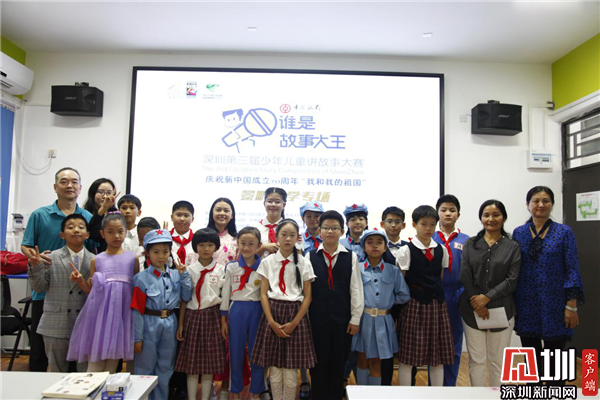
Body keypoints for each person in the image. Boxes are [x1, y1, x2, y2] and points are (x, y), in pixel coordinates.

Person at [21, 167, 93, 372]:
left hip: (79, 294)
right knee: (40, 352)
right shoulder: (39, 215)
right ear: (55, 187)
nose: (69, 185)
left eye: (74, 182)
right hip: (47, 292)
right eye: (64, 181)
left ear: (80, 187)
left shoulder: (88, 216)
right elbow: (26, 245)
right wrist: (36, 261)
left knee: (79, 362)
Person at [512, 186, 584, 385]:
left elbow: (572, 268)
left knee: (556, 361)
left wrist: (571, 306)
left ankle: (555, 392)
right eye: (536, 201)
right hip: (526, 303)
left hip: (556, 303)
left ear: (552, 204)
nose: (541, 205)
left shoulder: (564, 232)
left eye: (546, 201)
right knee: (531, 361)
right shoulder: (519, 233)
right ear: (528, 205)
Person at [251, 219, 317, 400]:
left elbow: (308, 296)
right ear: (276, 237)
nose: (288, 239)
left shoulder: (303, 262)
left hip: (295, 314)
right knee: (274, 369)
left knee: (290, 370)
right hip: (272, 313)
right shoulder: (268, 261)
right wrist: (271, 322)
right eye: (284, 235)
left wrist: (294, 323)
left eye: (292, 235)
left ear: (297, 238)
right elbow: (263, 294)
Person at [67, 212, 139, 372]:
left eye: (120, 231)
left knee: (112, 365)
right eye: (110, 232)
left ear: (126, 231)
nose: (116, 236)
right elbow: (91, 291)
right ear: (102, 233)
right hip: (99, 317)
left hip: (122, 315)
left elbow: (135, 288)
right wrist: (81, 281)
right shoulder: (97, 259)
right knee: (95, 363)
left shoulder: (132, 259)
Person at [459, 199, 521, 387]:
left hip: (502, 309)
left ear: (503, 217)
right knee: (476, 360)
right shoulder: (471, 243)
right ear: (481, 218)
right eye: (486, 215)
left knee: (498, 361)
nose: (491, 219)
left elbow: (511, 280)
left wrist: (487, 298)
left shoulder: (512, 246)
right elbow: (465, 274)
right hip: (472, 310)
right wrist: (476, 302)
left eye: (496, 215)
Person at [305, 210, 363, 400]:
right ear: (319, 231)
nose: (330, 231)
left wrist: (355, 318)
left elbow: (356, 288)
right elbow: (306, 292)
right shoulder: (310, 256)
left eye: (334, 228)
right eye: (326, 228)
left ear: (342, 231)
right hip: (317, 320)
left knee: (339, 363)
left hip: (342, 320)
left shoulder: (351, 256)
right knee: (317, 364)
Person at [396, 205, 453, 387]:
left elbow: (440, 277)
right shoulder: (406, 250)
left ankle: (437, 395)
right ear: (414, 225)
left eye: (432, 224)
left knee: (437, 356)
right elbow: (401, 282)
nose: (428, 228)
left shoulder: (442, 249)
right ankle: (405, 395)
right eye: (424, 224)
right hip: (414, 305)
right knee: (407, 357)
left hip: (437, 305)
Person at [132, 228, 191, 400]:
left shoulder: (176, 275)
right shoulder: (140, 278)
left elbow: (186, 296)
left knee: (165, 367)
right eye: (156, 252)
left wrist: (184, 275)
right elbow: (137, 309)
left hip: (170, 323)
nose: (161, 256)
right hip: (149, 323)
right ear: (147, 253)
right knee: (145, 366)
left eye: (165, 251)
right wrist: (137, 338)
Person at [174, 228, 226, 400]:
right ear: (195, 247)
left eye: (210, 245)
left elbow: (224, 299)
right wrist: (181, 324)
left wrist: (223, 323)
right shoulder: (189, 270)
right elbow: (184, 299)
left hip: (212, 318)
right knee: (192, 364)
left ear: (216, 247)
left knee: (208, 364)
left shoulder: (221, 270)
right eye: (201, 245)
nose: (206, 249)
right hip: (192, 317)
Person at [353, 229, 410, 386]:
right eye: (370, 243)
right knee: (362, 360)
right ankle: (361, 395)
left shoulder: (393, 270)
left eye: (379, 243)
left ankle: (374, 395)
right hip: (363, 320)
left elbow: (404, 295)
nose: (375, 246)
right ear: (363, 247)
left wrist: (388, 303)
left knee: (376, 362)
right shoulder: (357, 268)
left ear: (385, 247)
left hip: (383, 321)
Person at [221, 227, 266, 400]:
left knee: (257, 352)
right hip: (236, 310)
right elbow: (226, 293)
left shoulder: (264, 266)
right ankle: (235, 390)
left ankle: (257, 391)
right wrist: (223, 319)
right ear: (237, 244)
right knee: (235, 351)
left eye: (251, 244)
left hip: (257, 309)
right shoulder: (231, 267)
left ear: (259, 245)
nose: (246, 248)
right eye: (243, 243)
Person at [433, 195, 470, 386]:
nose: (448, 213)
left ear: (458, 214)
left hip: (457, 294)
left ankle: (450, 386)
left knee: (454, 342)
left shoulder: (467, 240)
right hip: (434, 294)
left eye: (452, 210)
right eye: (444, 210)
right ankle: (433, 388)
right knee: (434, 344)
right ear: (437, 213)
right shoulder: (429, 237)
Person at [379, 206, 409, 385]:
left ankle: (409, 385)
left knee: (407, 346)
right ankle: (384, 384)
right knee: (384, 347)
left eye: (397, 222)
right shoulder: (375, 247)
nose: (393, 225)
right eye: (389, 221)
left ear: (404, 225)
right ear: (382, 224)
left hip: (406, 304)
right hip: (383, 305)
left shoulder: (410, 247)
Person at [85, 178, 119, 254]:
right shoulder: (85, 214)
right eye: (101, 192)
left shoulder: (117, 215)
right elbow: (93, 234)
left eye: (109, 193)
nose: (105, 196)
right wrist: (103, 209)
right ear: (93, 194)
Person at [255, 187, 287, 259]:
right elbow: (248, 256)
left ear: (284, 205)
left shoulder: (290, 228)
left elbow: (298, 256)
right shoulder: (255, 228)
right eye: (269, 201)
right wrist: (263, 247)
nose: (273, 205)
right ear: (264, 203)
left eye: (277, 202)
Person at [169, 200, 196, 265]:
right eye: (178, 215)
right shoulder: (165, 238)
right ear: (172, 217)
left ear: (192, 219)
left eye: (186, 216)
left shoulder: (197, 240)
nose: (182, 219)